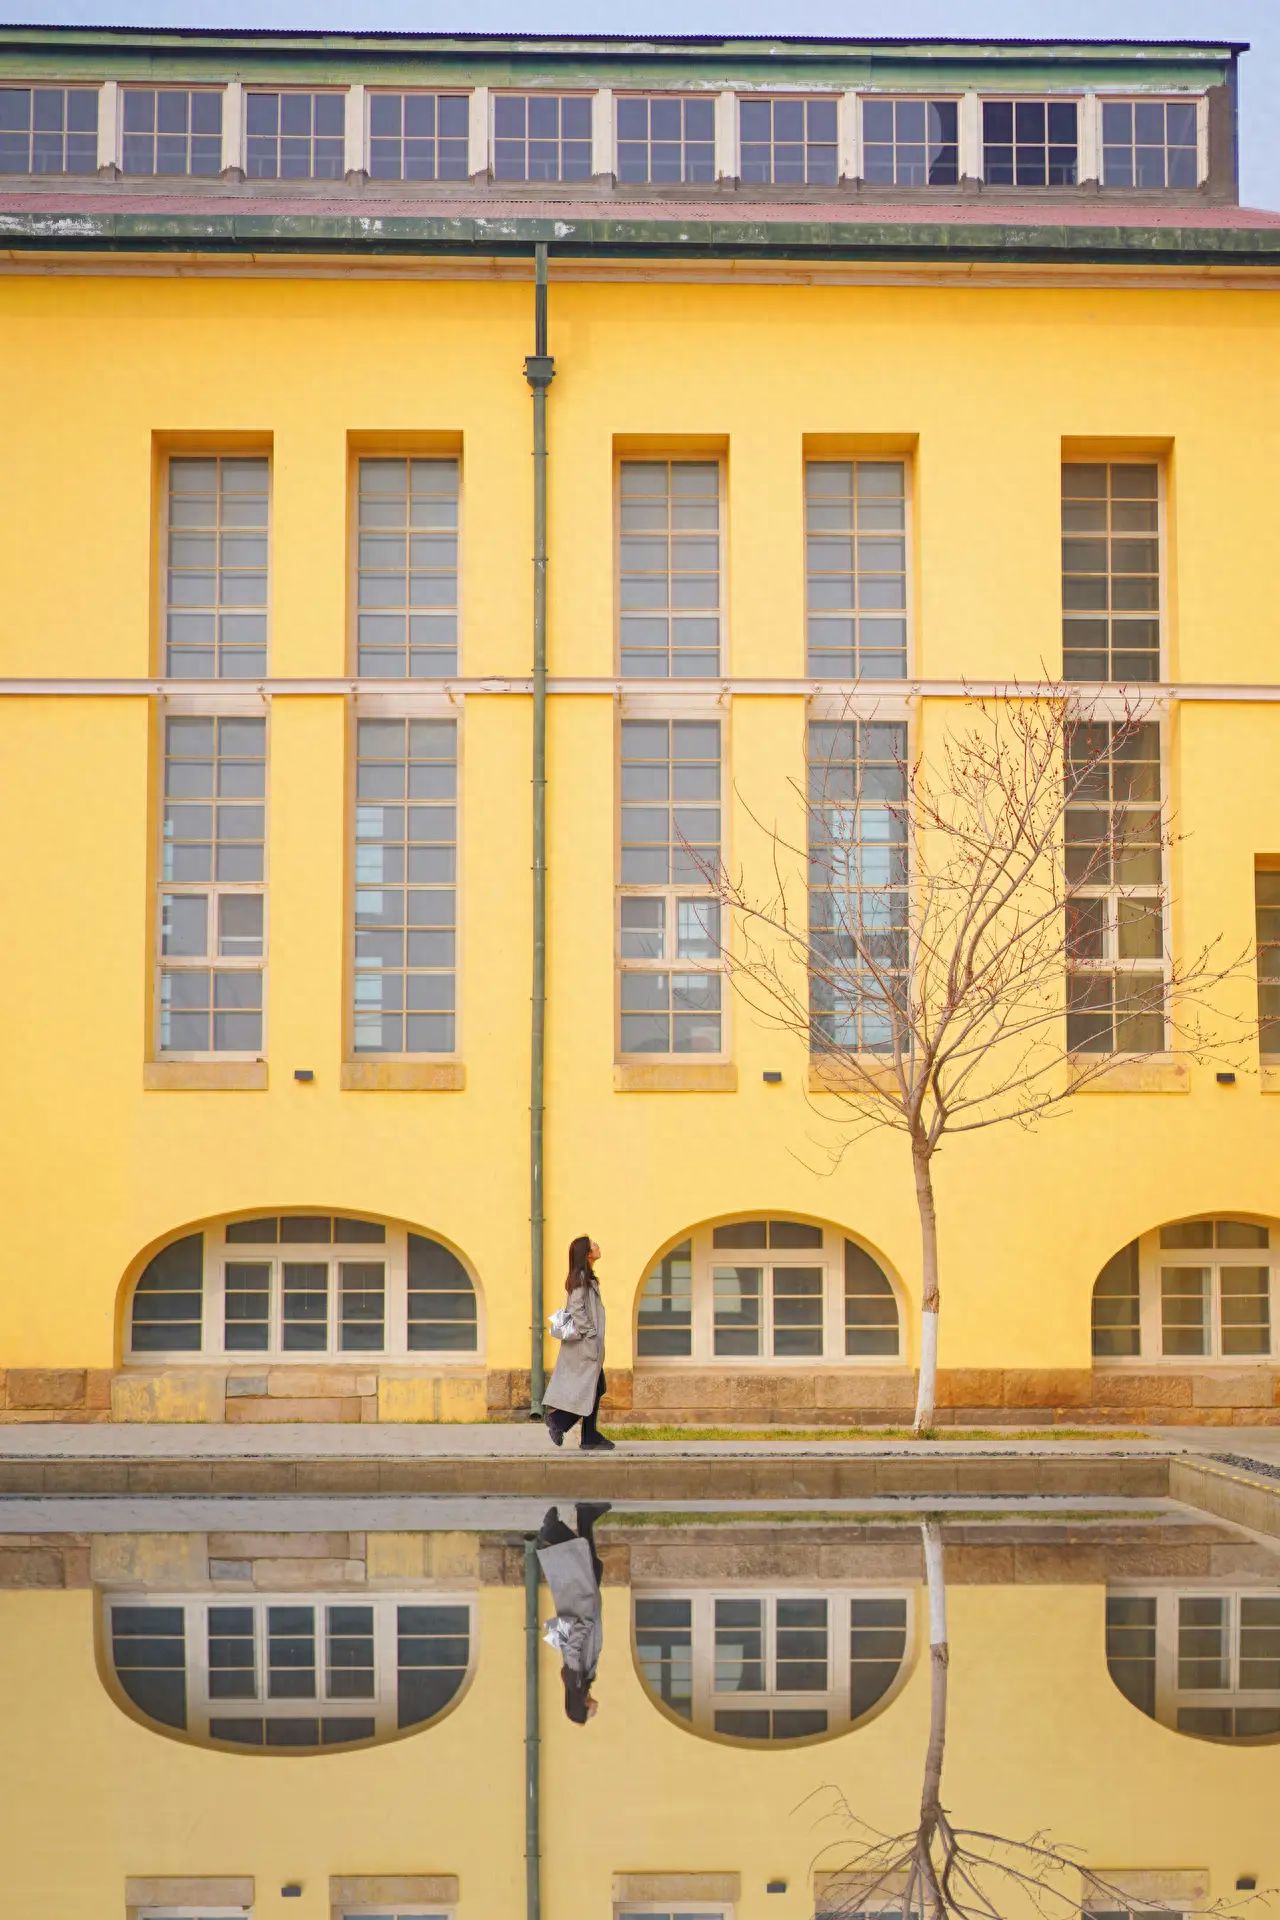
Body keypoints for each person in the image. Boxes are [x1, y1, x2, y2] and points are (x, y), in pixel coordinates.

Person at [536, 1501, 609, 1723]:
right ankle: (585, 1517)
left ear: (582, 1706)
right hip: (586, 1607)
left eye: (590, 1713)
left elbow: (572, 1649)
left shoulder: (576, 1680)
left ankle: (553, 1529)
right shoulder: (583, 1681)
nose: (595, 1712)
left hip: (581, 1608)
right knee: (592, 1566)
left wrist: (586, 1623)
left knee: (582, 1564)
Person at [544, 1233, 615, 1451]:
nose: (597, 1245)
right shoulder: (581, 1279)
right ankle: (560, 1422)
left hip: (588, 1345)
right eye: (593, 1244)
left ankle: (588, 1435)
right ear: (587, 1254)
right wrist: (590, 1333)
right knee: (594, 1387)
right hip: (586, 1346)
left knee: (596, 1387)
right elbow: (576, 1307)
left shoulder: (585, 1277)